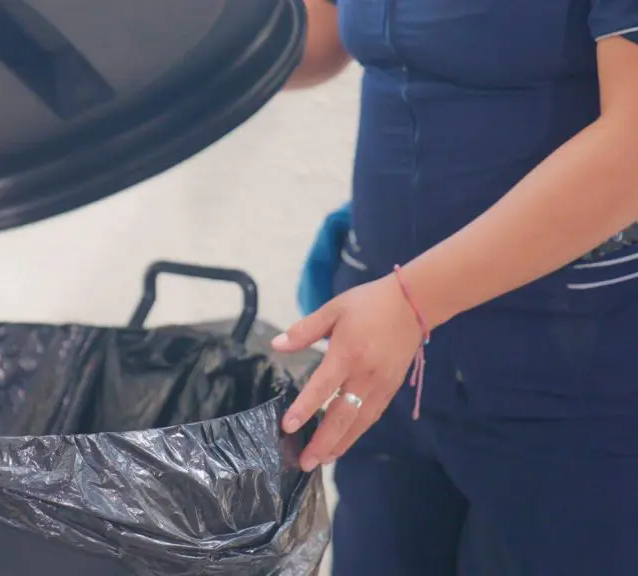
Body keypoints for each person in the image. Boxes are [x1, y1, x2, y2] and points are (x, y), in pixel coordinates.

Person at [273, 1, 638, 574]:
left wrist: (412, 302)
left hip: (569, 371)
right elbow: (318, 33)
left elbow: (632, 147)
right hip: (386, 364)